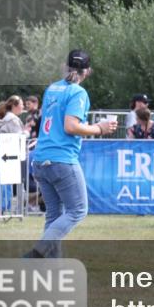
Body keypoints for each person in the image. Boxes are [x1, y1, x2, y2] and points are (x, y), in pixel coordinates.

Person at [26, 50, 118, 258]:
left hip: (41, 159)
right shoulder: (78, 92)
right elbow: (71, 126)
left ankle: (51, 269)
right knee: (77, 211)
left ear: (65, 66)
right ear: (87, 71)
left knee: (53, 216)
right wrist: (99, 128)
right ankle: (38, 252)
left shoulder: (52, 88)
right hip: (61, 159)